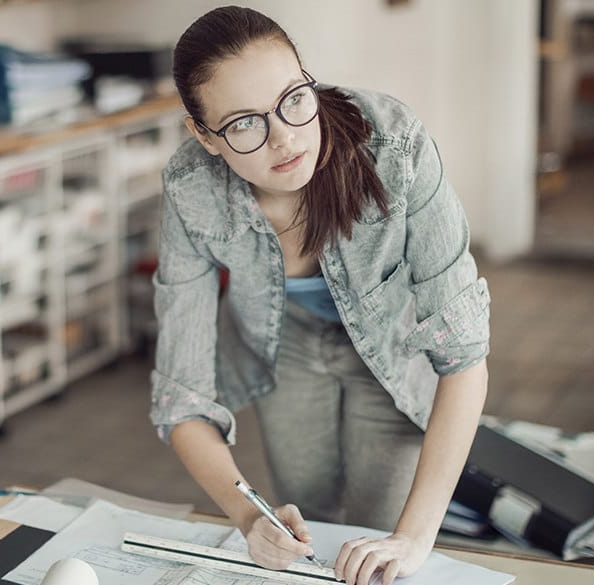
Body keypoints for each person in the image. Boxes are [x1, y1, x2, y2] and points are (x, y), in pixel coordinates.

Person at [149, 6, 491, 585]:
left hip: (392, 348)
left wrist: (412, 539)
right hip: (283, 352)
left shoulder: (393, 142)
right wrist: (246, 519)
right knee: (308, 534)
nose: (284, 137)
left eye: (293, 98)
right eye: (243, 124)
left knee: (381, 539)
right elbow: (182, 399)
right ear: (203, 136)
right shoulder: (191, 190)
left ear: (309, 79)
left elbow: (464, 358)